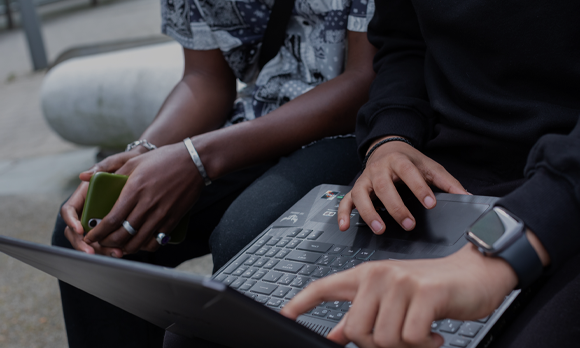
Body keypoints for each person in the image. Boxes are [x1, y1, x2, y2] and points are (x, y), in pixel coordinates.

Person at [51, 0, 377, 347]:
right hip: (251, 123)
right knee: (94, 231)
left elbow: (366, 79)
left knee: (247, 238)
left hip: (355, 130)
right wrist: (144, 153)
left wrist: (197, 158)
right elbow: (205, 77)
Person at [282, 1, 580, 348]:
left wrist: (491, 256)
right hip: (436, 164)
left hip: (562, 188)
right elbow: (405, 42)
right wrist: (390, 138)